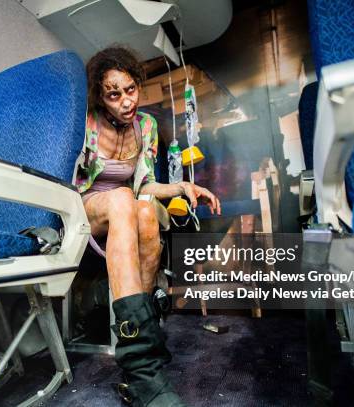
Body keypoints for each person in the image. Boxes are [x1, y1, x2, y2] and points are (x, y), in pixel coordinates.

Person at [75, 46, 220, 406]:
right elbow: (71, 184)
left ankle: (142, 353)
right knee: (124, 199)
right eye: (113, 94)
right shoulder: (85, 123)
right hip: (83, 208)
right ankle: (142, 362)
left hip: (125, 208)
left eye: (130, 90)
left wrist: (182, 187)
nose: (125, 101)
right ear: (100, 96)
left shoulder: (147, 127)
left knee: (142, 208)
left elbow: (144, 185)